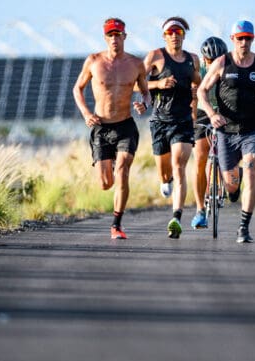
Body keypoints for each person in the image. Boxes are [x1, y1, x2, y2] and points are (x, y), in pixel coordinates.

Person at [197, 20, 255, 243]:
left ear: (252, 39)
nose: (244, 42)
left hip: (252, 129)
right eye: (240, 38)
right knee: (231, 185)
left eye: (248, 38)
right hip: (226, 131)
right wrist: (211, 113)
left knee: (252, 168)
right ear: (233, 39)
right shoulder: (221, 63)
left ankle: (243, 227)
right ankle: (234, 188)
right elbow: (202, 91)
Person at [72, 18, 152, 240]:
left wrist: (144, 103)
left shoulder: (136, 64)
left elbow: (146, 91)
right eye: (110, 35)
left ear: (125, 36)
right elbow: (77, 89)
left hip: (126, 125)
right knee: (106, 183)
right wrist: (87, 114)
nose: (115, 39)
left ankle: (116, 225)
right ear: (105, 38)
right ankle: (111, 167)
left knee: (123, 170)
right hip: (101, 127)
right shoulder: (94, 61)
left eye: (118, 34)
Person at [143, 17, 202, 239]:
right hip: (159, 121)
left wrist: (196, 102)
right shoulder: (155, 56)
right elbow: (137, 81)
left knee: (179, 166)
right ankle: (163, 180)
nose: (174, 35)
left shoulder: (192, 59)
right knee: (165, 172)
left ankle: (176, 217)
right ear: (164, 36)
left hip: (183, 121)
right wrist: (158, 84)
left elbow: (197, 83)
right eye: (170, 32)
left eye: (178, 32)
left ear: (184, 35)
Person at [190, 36, 240, 229]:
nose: (213, 64)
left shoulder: (231, 69)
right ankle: (200, 210)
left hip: (226, 113)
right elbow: (192, 95)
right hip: (204, 114)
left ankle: (234, 176)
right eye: (209, 61)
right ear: (204, 60)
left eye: (218, 59)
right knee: (200, 159)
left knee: (231, 152)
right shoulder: (198, 71)